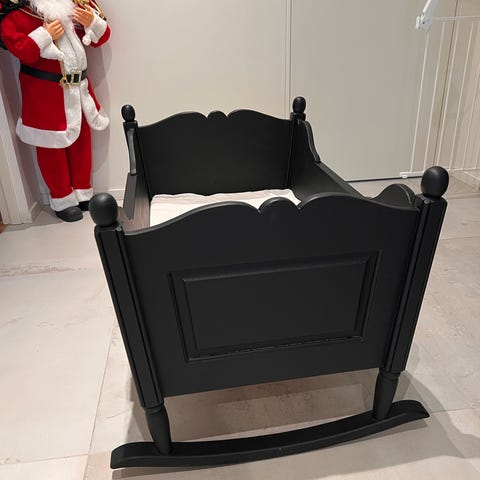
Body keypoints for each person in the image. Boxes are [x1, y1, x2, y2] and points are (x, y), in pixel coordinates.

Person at [1, 0, 110, 222]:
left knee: (81, 142)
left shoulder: (73, 4)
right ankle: (62, 199)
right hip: (45, 94)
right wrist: (44, 35)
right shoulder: (18, 13)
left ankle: (83, 192)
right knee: (51, 149)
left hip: (79, 90)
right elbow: (21, 51)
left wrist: (92, 22)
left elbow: (102, 37)